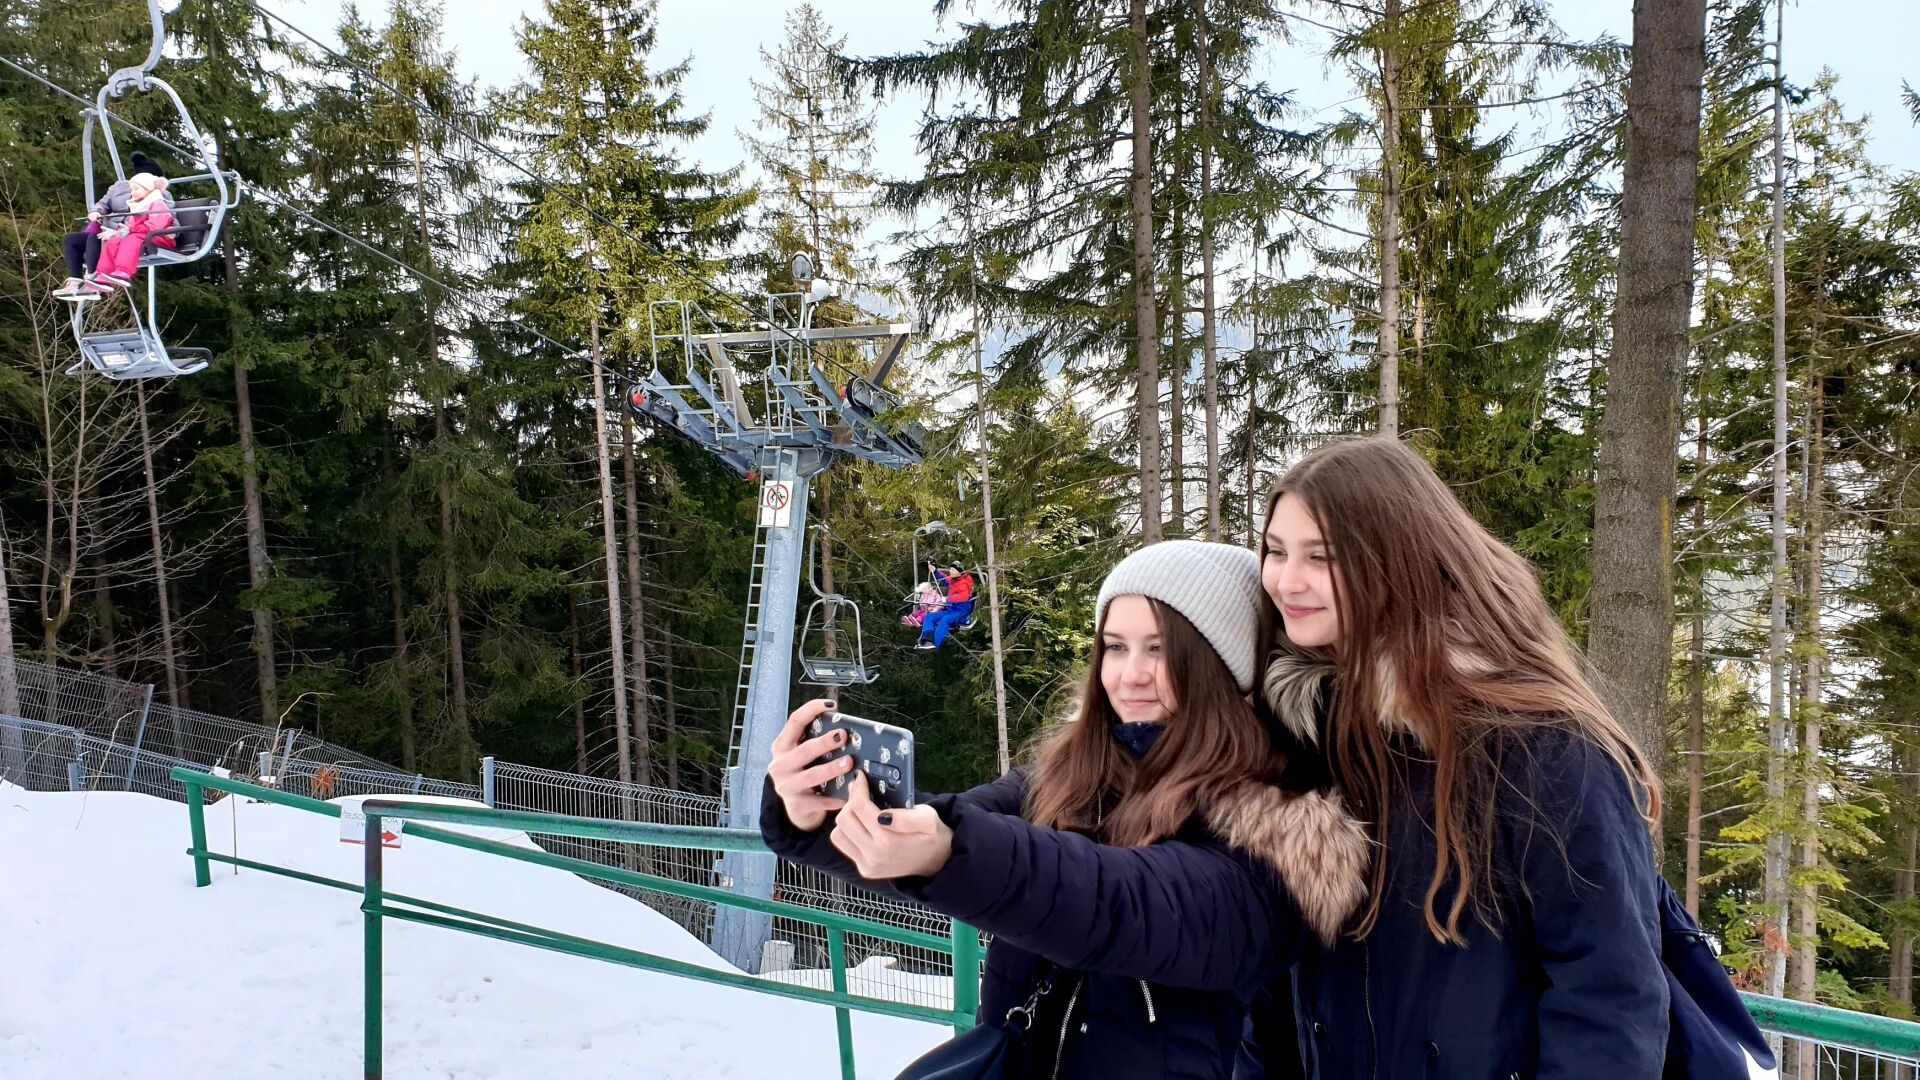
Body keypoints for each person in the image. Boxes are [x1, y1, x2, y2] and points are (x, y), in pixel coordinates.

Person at [763, 540, 1367, 1080]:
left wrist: (951, 852)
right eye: (1115, 647)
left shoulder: (1279, 829)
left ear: (1219, 666)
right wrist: (816, 810)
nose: (1129, 676)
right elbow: (932, 829)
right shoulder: (1072, 774)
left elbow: (1117, 901)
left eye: (1160, 650)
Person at [1243, 435, 1668, 1078]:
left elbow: (1610, 998)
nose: (1286, 580)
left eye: (1321, 557)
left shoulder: (1542, 749)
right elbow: (1272, 993)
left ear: (1396, 561)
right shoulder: (1299, 740)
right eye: (1276, 551)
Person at [52, 152, 168, 301]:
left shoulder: (158, 195)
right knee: (71, 239)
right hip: (108, 229)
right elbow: (103, 203)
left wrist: (171, 231)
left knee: (95, 238)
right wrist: (96, 211)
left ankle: (94, 280)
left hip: (127, 233)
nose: (133, 191)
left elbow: (165, 215)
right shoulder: (120, 187)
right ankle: (75, 281)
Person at [91, 173, 175, 291]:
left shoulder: (158, 203)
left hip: (159, 237)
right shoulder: (138, 205)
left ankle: (123, 272)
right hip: (141, 236)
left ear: (148, 189)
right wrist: (119, 233)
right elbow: (130, 224)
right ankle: (103, 274)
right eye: (132, 190)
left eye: (136, 189)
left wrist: (132, 230)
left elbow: (155, 225)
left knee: (131, 240)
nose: (132, 192)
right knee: (114, 242)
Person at [915, 562, 974, 650]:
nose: (950, 571)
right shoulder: (954, 580)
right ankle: (928, 641)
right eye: (950, 569)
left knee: (945, 620)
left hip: (961, 612)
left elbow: (964, 597)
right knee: (930, 616)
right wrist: (935, 571)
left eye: (953, 570)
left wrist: (947, 599)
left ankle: (935, 644)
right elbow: (945, 579)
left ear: (959, 572)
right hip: (950, 610)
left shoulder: (964, 583)